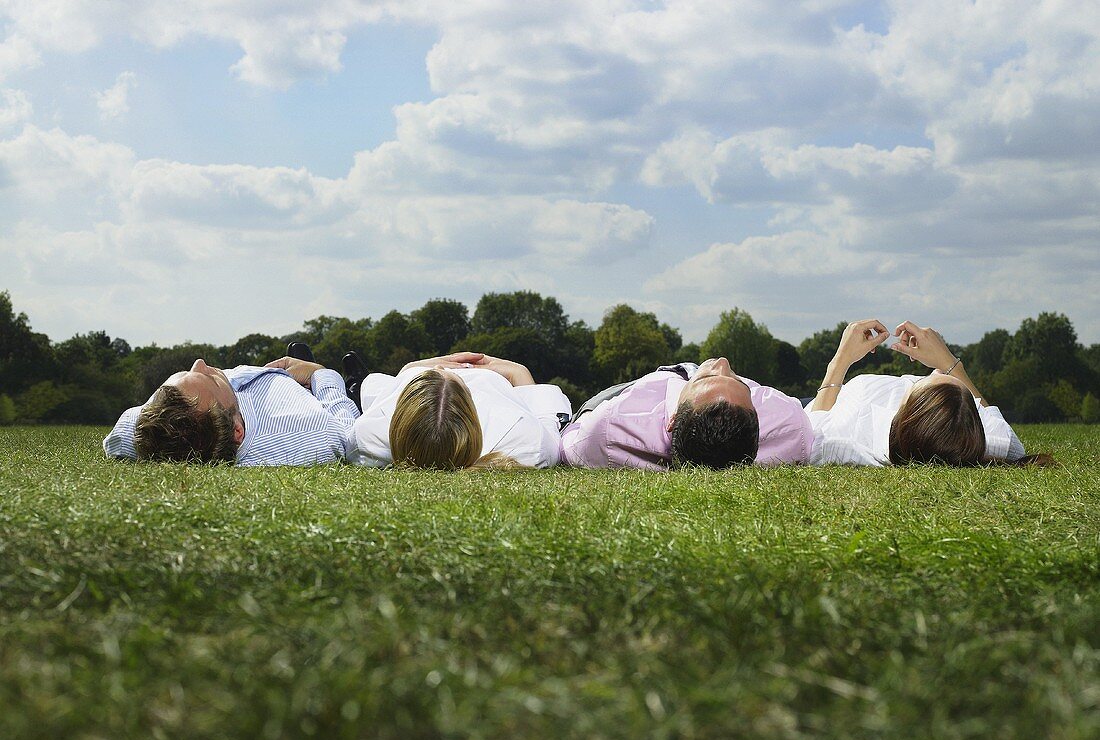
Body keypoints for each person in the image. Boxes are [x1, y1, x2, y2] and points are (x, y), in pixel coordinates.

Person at [806, 319, 1045, 466]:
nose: (935, 371)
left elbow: (812, 429)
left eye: (932, 379)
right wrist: (950, 363)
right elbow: (1011, 443)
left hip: (815, 400)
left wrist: (841, 359)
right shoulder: (976, 440)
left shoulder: (848, 433)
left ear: (909, 408)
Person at [559, 358, 813, 470]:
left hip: (634, 388)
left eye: (711, 376)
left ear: (672, 420)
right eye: (741, 383)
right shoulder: (791, 424)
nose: (724, 362)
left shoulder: (611, 425)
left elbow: (569, 439)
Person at [103, 355, 359, 465]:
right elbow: (349, 433)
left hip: (272, 375)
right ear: (237, 430)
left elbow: (121, 434)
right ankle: (356, 382)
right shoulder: (310, 431)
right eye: (210, 380)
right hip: (306, 392)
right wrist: (321, 374)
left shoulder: (137, 431)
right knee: (360, 389)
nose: (199, 363)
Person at [348, 352, 570, 469]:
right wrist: (517, 372)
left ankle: (357, 386)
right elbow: (547, 416)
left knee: (376, 386)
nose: (440, 367)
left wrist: (412, 369)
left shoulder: (368, 439)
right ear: (471, 404)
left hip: (398, 391)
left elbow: (384, 397)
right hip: (493, 384)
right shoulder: (526, 442)